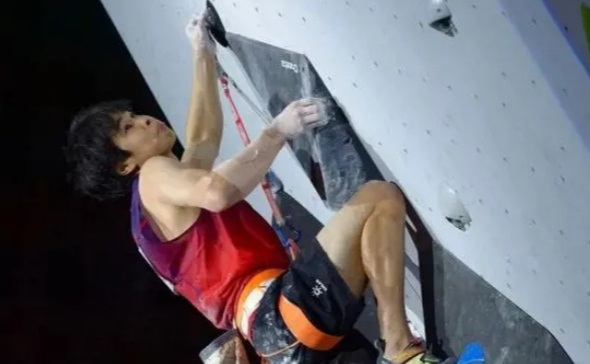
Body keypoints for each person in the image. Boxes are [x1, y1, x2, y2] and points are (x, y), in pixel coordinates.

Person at [65, 12, 429, 364]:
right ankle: (399, 349)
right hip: (280, 316)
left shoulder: (154, 208)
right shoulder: (153, 175)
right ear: (124, 165)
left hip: (275, 339)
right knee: (380, 198)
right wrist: (277, 133)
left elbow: (203, 139)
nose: (143, 120)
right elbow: (218, 193)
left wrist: (202, 54)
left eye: (133, 116)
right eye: (129, 129)